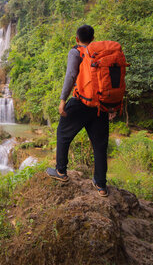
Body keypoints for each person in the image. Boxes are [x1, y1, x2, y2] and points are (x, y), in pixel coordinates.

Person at [46, 24, 116, 197]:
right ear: (93, 39)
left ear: (77, 39)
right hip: (100, 105)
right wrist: (112, 105)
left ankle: (61, 171)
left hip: (81, 102)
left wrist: (62, 100)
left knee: (63, 134)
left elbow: (71, 75)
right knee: (100, 145)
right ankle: (101, 185)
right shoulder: (101, 54)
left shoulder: (76, 52)